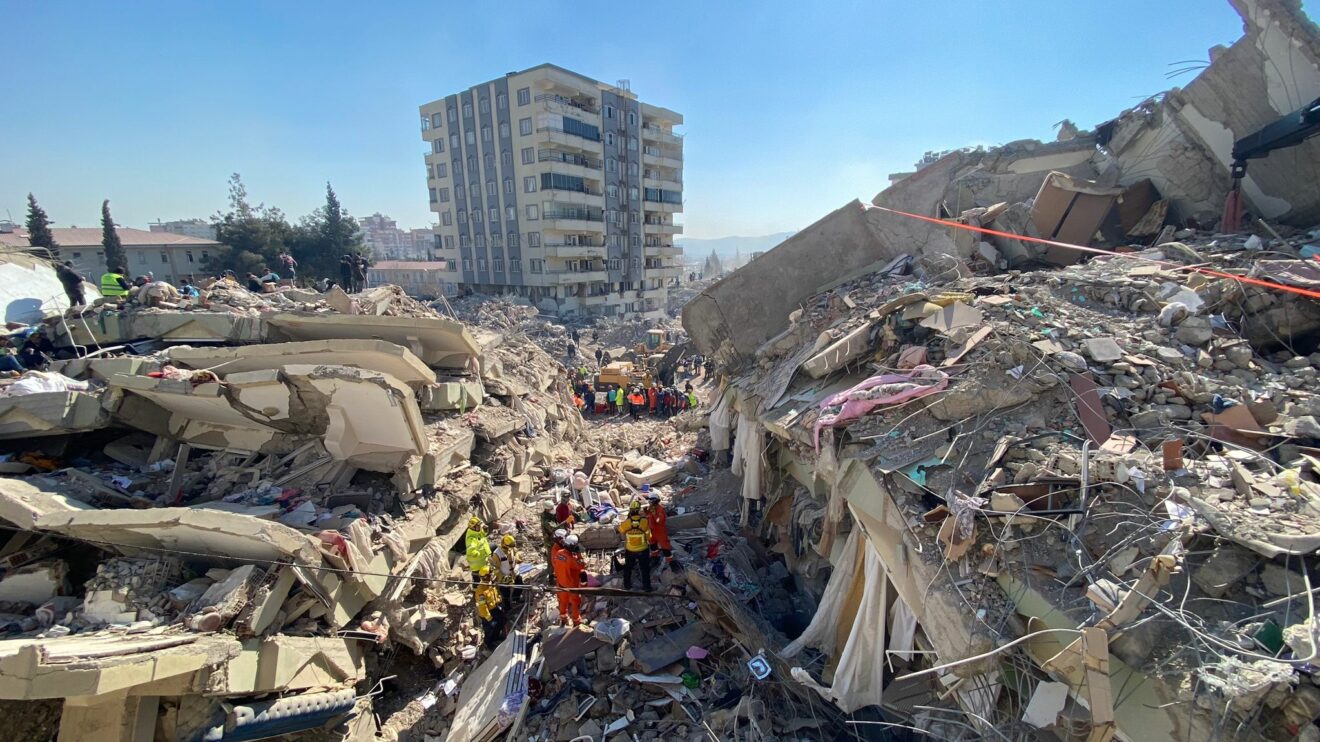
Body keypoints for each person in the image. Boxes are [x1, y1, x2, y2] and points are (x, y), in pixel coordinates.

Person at [551, 533, 587, 626]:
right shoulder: (572, 559)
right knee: (575, 603)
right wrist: (579, 555)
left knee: (563, 602)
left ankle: (563, 619)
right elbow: (581, 565)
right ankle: (576, 621)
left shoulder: (559, 553)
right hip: (572, 587)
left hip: (561, 584)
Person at [617, 501, 653, 592]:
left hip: (630, 550)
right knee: (644, 569)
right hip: (643, 549)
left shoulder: (627, 522)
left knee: (628, 568)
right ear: (639, 510)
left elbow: (620, 530)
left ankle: (627, 585)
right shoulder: (644, 521)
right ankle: (647, 588)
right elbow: (649, 536)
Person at [645, 489, 678, 572]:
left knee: (665, 547)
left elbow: (659, 520)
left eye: (651, 500)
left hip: (660, 531)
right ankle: (654, 558)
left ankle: (671, 562)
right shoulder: (651, 508)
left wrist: (653, 513)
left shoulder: (660, 510)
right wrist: (647, 512)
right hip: (652, 531)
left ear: (655, 501)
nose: (649, 502)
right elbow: (648, 518)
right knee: (653, 546)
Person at [474, 566, 505, 649]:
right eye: (490, 574)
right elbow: (482, 607)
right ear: (486, 577)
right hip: (487, 614)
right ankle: (489, 644)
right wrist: (489, 619)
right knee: (489, 630)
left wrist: (499, 600)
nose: (492, 575)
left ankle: (496, 638)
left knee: (500, 623)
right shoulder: (481, 591)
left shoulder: (490, 584)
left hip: (494, 608)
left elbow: (494, 595)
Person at [492, 533, 520, 605]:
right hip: (504, 577)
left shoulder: (511, 548)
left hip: (514, 573)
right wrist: (502, 577)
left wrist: (517, 557)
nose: (512, 548)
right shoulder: (497, 554)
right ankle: (507, 607)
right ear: (505, 545)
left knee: (520, 584)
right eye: (510, 546)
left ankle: (515, 599)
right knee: (505, 593)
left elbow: (516, 552)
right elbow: (496, 568)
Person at [465, 516, 492, 582]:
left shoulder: (477, 532)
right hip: (476, 564)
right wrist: (475, 553)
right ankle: (475, 591)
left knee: (486, 576)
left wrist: (485, 530)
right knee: (477, 578)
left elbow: (483, 535)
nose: (480, 527)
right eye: (478, 526)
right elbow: (471, 549)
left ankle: (486, 586)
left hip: (483, 560)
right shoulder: (471, 538)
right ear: (473, 527)